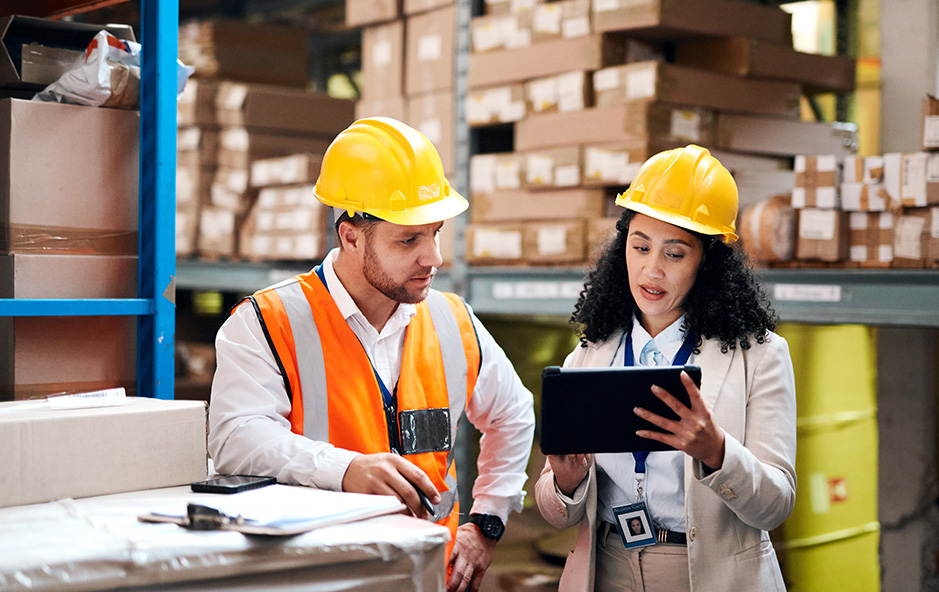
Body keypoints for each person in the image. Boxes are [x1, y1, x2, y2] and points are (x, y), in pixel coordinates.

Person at [208, 117, 536, 592]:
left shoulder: (452, 320)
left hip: (428, 577)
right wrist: (346, 470)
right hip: (325, 578)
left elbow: (514, 414)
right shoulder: (267, 321)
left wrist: (488, 523)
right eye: (409, 239)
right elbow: (236, 438)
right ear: (351, 236)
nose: (434, 258)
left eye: (435, 233)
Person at [534, 145, 797, 591]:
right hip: (608, 568)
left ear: (707, 263)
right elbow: (555, 510)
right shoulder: (591, 354)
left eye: (674, 254)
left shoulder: (760, 356)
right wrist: (565, 481)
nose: (650, 269)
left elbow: (775, 506)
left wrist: (717, 453)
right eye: (639, 247)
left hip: (707, 576)